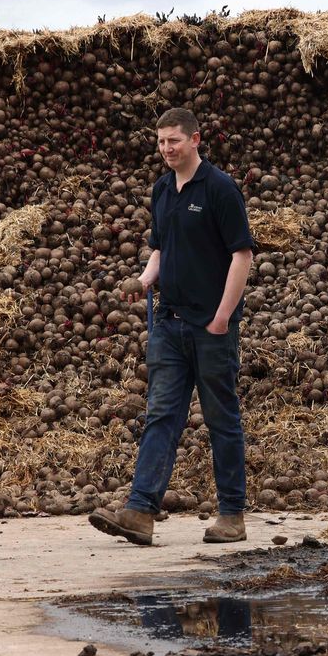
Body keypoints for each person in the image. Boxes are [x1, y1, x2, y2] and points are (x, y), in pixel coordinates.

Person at [89, 108, 255, 546]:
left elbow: (242, 255)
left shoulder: (219, 189)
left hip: (212, 326)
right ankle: (140, 512)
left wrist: (223, 316)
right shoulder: (162, 190)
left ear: (195, 139)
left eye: (174, 141)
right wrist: (144, 280)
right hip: (169, 322)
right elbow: (160, 250)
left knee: (222, 419)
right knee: (161, 415)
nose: (166, 149)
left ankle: (232, 516)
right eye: (161, 141)